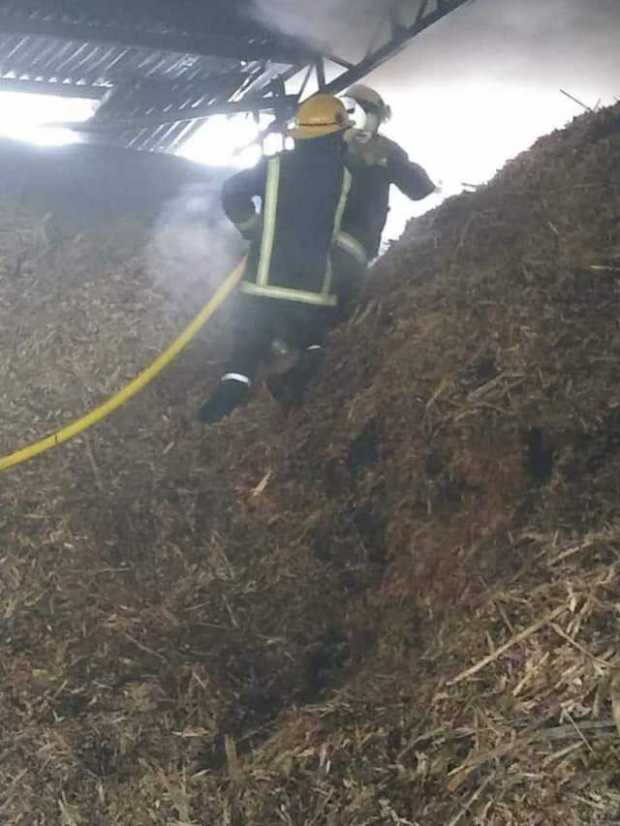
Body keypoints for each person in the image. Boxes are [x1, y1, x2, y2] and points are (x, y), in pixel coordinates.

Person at [198, 94, 354, 424]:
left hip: (262, 289)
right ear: (336, 135)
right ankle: (293, 401)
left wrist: (250, 227)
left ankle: (217, 411)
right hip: (312, 296)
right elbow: (349, 237)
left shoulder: (273, 166)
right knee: (310, 346)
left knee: (245, 357)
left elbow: (231, 192)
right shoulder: (346, 178)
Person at [332, 84, 437, 314]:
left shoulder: (322, 142)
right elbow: (419, 189)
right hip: (351, 249)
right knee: (339, 314)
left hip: (310, 246)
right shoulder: (384, 150)